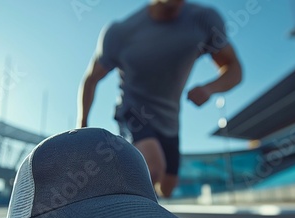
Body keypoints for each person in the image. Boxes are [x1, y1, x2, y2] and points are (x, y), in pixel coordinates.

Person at [77, 0, 242, 198]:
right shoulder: (119, 32)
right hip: (134, 112)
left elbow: (234, 69)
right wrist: (82, 125)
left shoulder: (204, 20)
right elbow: (91, 79)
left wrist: (210, 88)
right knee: (153, 169)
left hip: (170, 122)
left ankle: (126, 183)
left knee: (167, 189)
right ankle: (113, 205)